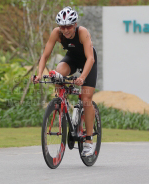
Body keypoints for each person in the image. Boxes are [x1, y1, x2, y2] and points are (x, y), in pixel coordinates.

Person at [32, 6, 97, 157]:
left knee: (86, 99)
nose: (66, 30)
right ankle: (63, 103)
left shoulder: (82, 32)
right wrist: (39, 74)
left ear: (74, 25)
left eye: (68, 26)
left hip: (88, 62)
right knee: (56, 74)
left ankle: (88, 140)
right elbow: (45, 55)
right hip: (72, 59)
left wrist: (82, 78)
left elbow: (91, 58)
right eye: (62, 26)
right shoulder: (57, 33)